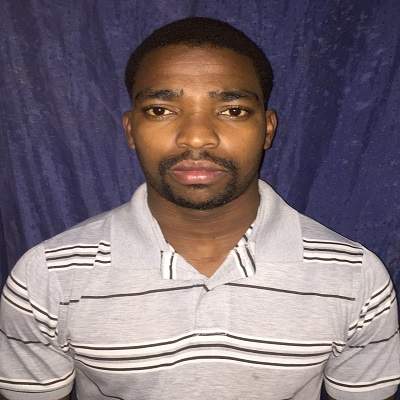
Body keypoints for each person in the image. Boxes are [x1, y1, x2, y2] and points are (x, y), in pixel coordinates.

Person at [0, 16, 399, 400]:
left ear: (267, 129)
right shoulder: (48, 276)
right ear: (131, 130)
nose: (196, 137)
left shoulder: (354, 277)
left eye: (232, 110)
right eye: (160, 110)